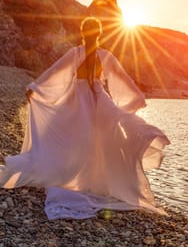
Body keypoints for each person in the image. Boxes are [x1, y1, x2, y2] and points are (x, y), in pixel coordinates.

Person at [0, 16, 170, 219]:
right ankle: (92, 179)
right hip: (99, 100)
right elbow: (121, 78)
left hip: (79, 99)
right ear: (98, 34)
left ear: (83, 33)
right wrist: (134, 98)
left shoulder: (77, 53)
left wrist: (36, 89)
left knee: (74, 140)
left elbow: (56, 73)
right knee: (101, 140)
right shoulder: (103, 55)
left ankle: (77, 177)